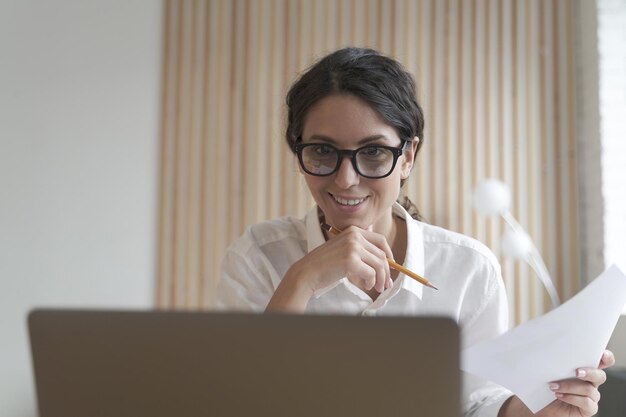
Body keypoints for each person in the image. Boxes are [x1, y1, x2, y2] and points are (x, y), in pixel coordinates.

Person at [216, 47, 614, 417]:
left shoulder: (468, 268)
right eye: (322, 150)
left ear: (407, 157)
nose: (346, 179)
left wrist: (531, 411)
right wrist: (301, 281)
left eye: (373, 152)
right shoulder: (258, 257)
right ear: (299, 154)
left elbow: (477, 402)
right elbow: (237, 400)